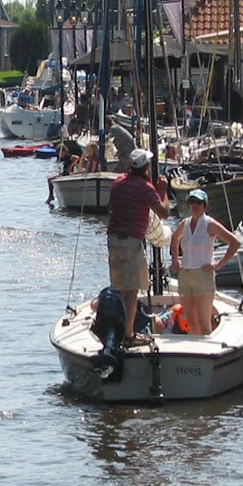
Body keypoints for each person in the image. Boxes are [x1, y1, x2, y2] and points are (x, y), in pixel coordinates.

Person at [106, 148, 170, 347]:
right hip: (132, 242)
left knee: (120, 288)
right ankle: (128, 335)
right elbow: (164, 213)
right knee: (132, 291)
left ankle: (120, 331)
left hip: (113, 240)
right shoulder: (145, 188)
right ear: (146, 168)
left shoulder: (118, 183)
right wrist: (164, 190)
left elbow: (110, 208)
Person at [169, 189, 239, 335]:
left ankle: (207, 349)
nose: (195, 205)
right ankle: (194, 351)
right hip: (185, 275)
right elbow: (174, 239)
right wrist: (175, 260)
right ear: (188, 204)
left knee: (204, 322)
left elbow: (234, 242)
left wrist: (218, 265)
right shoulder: (184, 224)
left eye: (199, 202)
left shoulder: (210, 224)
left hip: (203, 275)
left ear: (205, 206)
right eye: (192, 202)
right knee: (190, 321)